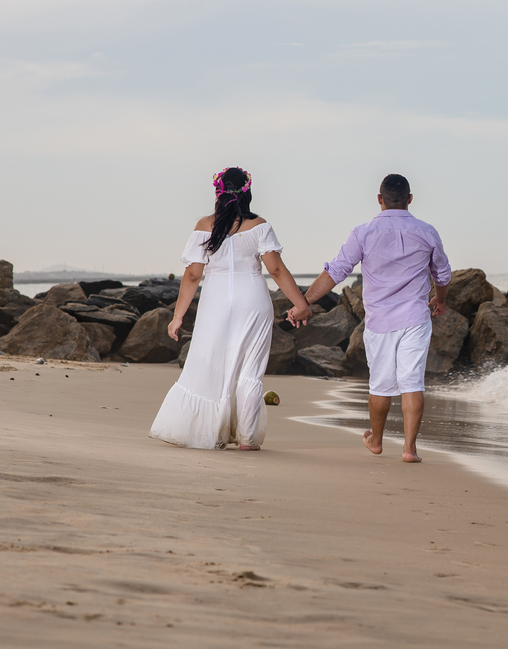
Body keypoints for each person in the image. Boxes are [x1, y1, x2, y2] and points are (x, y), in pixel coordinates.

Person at [289, 174, 450, 463]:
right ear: (410, 198)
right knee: (412, 382)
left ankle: (376, 442)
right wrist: (440, 299)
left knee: (380, 385)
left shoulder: (363, 232)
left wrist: (305, 302)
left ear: (379, 199)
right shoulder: (427, 231)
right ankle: (410, 449)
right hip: (415, 318)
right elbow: (442, 273)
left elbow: (336, 271)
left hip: (380, 322)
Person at [149, 167, 312, 451]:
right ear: (247, 192)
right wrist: (301, 304)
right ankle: (247, 439)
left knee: (209, 364)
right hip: (253, 299)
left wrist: (177, 317)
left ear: (217, 192)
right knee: (250, 369)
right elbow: (275, 269)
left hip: (216, 301)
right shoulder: (260, 225)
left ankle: (208, 430)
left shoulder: (204, 226)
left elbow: (191, 276)